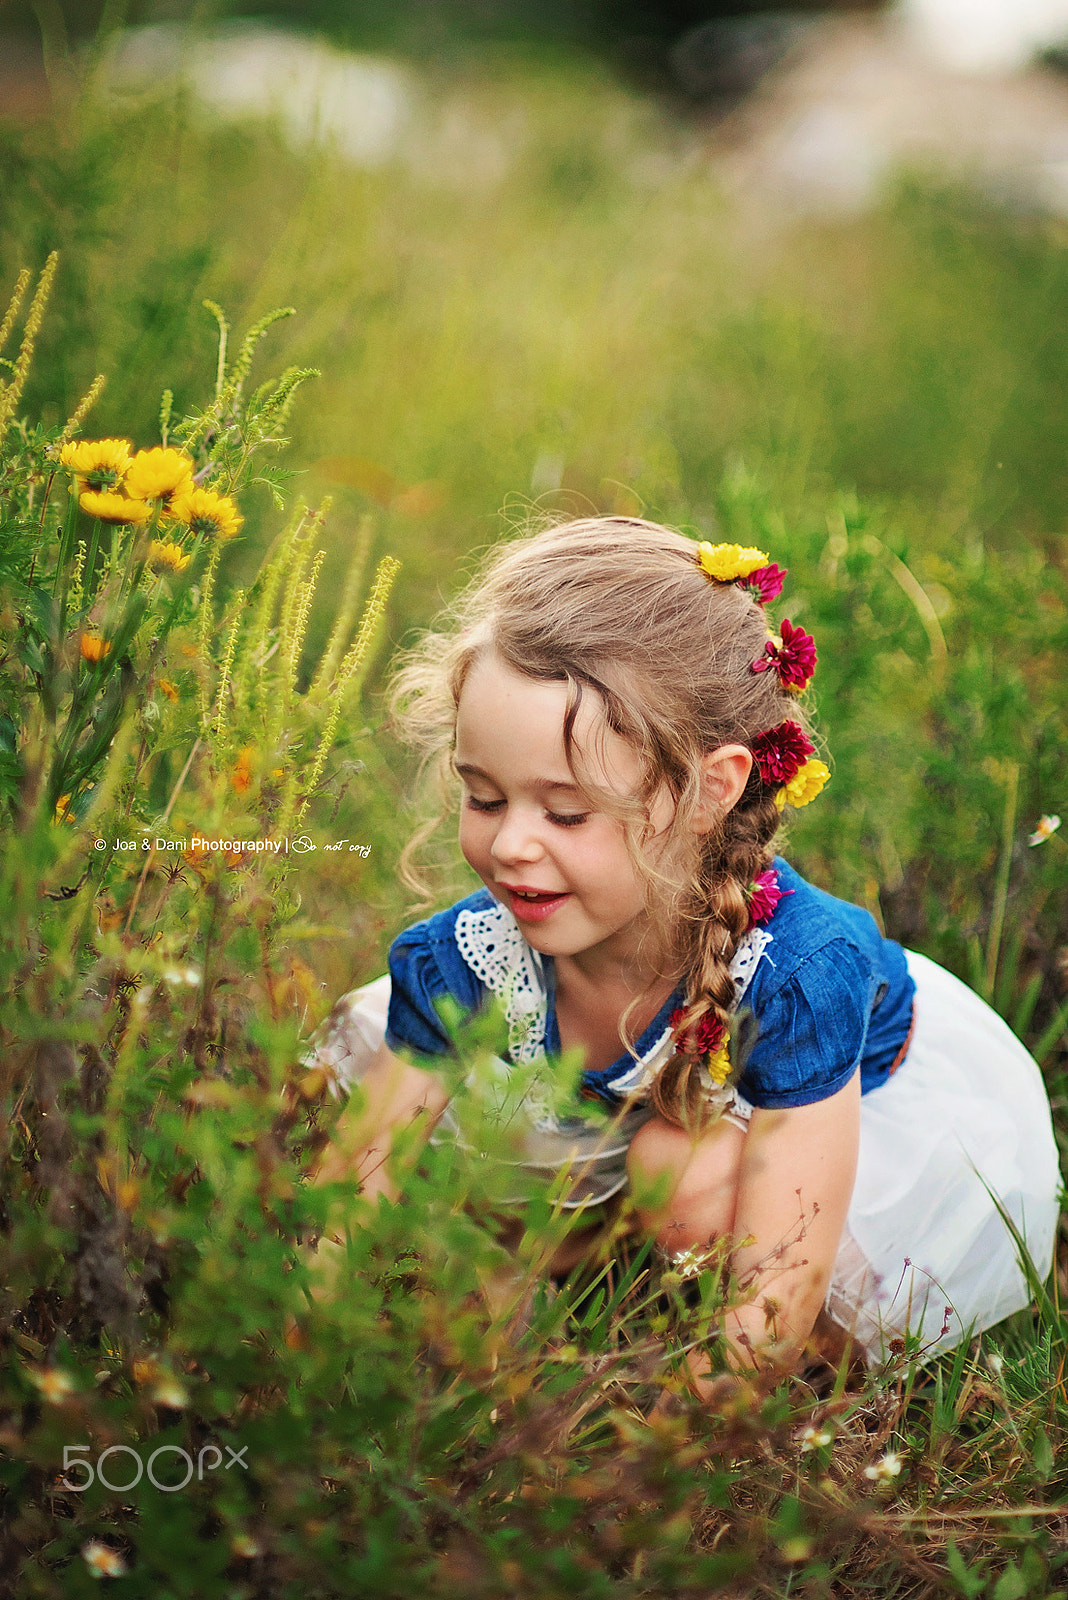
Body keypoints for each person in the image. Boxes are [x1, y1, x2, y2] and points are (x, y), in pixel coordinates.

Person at [310, 516, 1060, 1375]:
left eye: (566, 813)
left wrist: (674, 1442)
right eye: (484, 798)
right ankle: (584, 1287)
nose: (513, 845)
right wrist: (287, 1339)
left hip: (849, 1131)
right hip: (636, 1125)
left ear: (711, 791)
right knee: (477, 1186)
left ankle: (808, 1375)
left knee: (681, 1174)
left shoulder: (798, 976)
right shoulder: (467, 959)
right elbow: (348, 1198)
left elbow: (773, 1305)